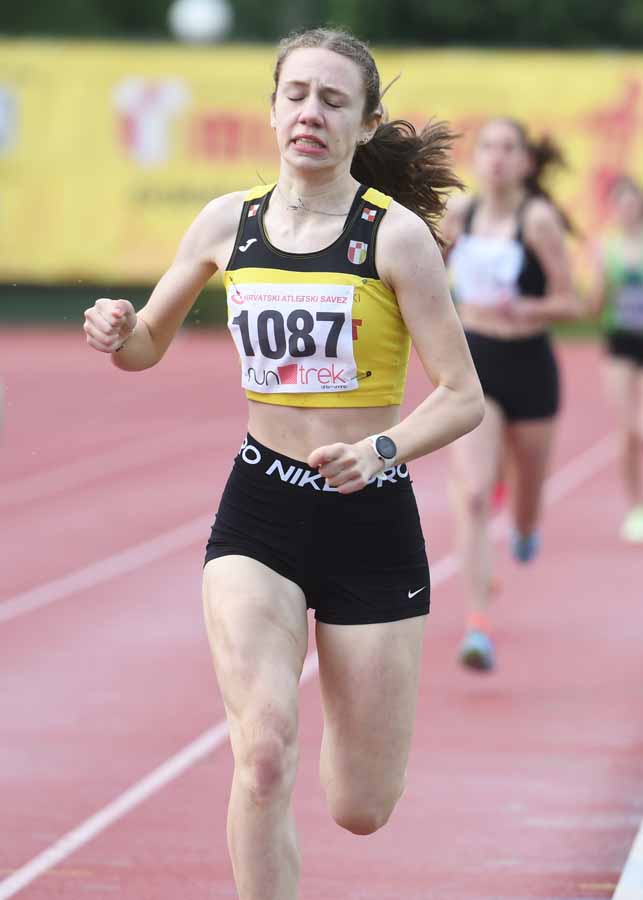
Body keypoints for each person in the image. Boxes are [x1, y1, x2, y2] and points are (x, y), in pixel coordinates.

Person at [83, 28, 484, 900]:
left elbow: (462, 396)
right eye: (296, 95)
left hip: (369, 520)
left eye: (333, 100)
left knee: (360, 805)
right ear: (271, 109)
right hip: (261, 509)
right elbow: (146, 343)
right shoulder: (225, 223)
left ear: (365, 124)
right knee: (262, 753)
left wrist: (379, 450)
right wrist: (119, 329)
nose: (310, 113)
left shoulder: (393, 238)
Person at [443, 117, 579, 673]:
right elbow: (423, 277)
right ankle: (477, 624)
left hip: (530, 366)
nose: (496, 158)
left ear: (525, 162)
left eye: (508, 149)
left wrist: (527, 307)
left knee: (526, 497)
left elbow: (572, 302)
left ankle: (524, 528)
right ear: (477, 159)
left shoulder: (538, 220)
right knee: (474, 494)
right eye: (488, 148)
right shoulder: (460, 215)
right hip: (476, 361)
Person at [591, 175, 643, 542]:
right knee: (627, 431)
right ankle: (635, 507)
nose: (627, 210)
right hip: (620, 343)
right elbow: (595, 306)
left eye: (633, 203)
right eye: (621, 204)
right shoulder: (604, 249)